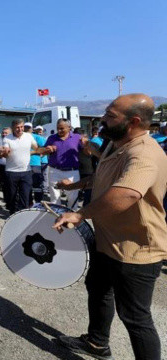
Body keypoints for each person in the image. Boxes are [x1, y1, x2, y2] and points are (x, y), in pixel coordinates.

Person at [54, 94, 167, 360]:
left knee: (135, 317)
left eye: (111, 115)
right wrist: (74, 186)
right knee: (98, 289)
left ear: (134, 121)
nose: (103, 118)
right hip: (107, 241)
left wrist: (80, 215)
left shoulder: (144, 153)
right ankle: (97, 343)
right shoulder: (114, 145)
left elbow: (126, 193)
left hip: (136, 248)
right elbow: (102, 177)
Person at [36, 118, 86, 210]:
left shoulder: (77, 138)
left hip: (72, 172)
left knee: (72, 198)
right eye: (58, 128)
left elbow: (86, 151)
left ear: (69, 128)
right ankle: (56, 218)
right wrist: (47, 149)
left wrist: (86, 143)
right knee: (55, 198)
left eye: (62, 128)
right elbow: (40, 151)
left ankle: (70, 220)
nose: (59, 130)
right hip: (54, 171)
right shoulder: (52, 138)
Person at [0, 119, 38, 214]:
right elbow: (5, 150)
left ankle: (22, 215)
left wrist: (36, 151)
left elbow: (36, 148)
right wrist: (3, 152)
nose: (20, 129)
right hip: (11, 172)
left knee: (25, 196)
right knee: (12, 196)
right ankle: (12, 214)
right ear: (12, 128)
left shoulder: (29, 136)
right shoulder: (7, 138)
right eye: (17, 128)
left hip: (26, 172)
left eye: (21, 127)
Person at [26, 123, 46, 204]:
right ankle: (29, 203)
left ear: (32, 129)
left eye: (28, 127)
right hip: (23, 165)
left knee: (37, 185)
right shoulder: (20, 137)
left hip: (35, 164)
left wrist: (32, 152)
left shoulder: (37, 137)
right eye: (25, 127)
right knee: (26, 185)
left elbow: (44, 148)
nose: (26, 129)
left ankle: (38, 202)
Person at [0, 127, 11, 209]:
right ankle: (7, 202)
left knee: (11, 185)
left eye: (6, 133)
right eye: (3, 133)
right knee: (3, 185)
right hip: (1, 166)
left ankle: (12, 202)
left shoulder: (12, 141)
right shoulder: (0, 141)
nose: (4, 134)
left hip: (10, 166)